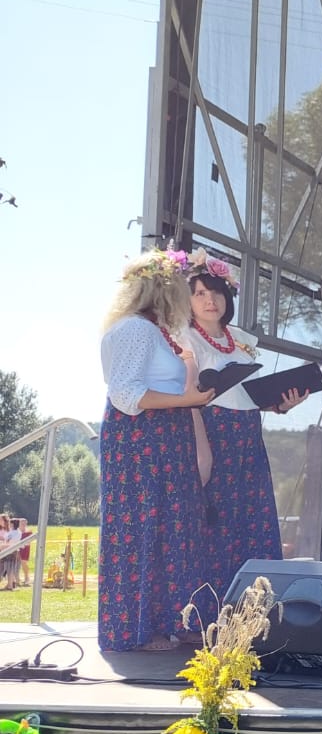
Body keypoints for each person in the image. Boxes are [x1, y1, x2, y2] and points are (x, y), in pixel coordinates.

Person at [98, 248, 214, 651]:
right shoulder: (136, 329)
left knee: (169, 530)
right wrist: (187, 401)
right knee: (141, 531)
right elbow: (126, 394)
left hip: (162, 437)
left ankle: (167, 623)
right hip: (142, 440)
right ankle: (135, 631)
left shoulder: (151, 330)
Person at [179, 253, 306, 612]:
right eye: (200, 293)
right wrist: (200, 443)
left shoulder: (240, 339)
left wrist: (279, 404)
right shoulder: (184, 336)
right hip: (210, 432)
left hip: (248, 435)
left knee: (253, 519)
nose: (210, 300)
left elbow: (245, 394)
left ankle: (253, 613)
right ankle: (207, 613)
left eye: (216, 292)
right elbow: (188, 394)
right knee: (215, 521)